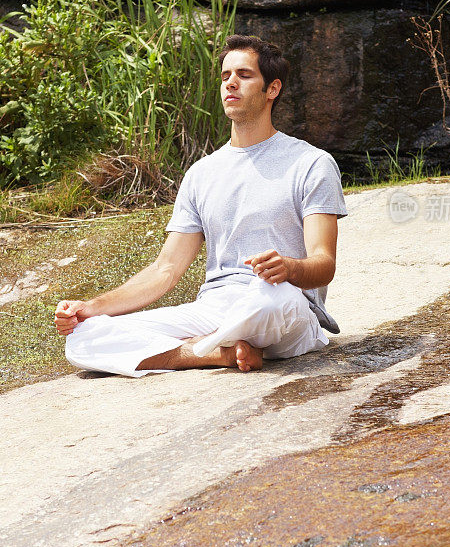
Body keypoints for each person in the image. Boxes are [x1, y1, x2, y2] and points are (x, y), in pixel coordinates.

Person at [54, 34, 347, 376]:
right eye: (225, 77)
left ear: (272, 89)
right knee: (83, 338)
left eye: (244, 75)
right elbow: (166, 270)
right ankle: (215, 353)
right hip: (217, 306)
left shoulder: (311, 164)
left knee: (270, 298)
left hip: (285, 306)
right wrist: (92, 307)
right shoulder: (202, 173)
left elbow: (324, 264)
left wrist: (289, 269)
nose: (230, 83)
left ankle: (212, 343)